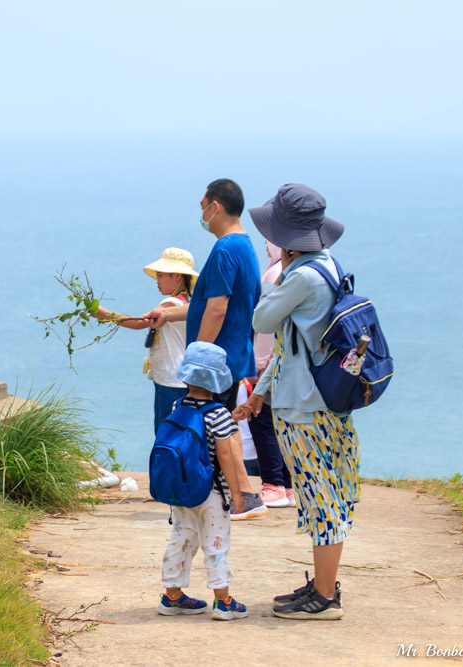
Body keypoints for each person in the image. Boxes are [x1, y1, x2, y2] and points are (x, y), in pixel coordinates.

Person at [233, 183, 357, 621]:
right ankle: (323, 586)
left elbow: (262, 319)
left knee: (320, 497)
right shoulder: (327, 264)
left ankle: (325, 597)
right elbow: (291, 344)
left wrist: (281, 270)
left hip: (305, 408)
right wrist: (260, 394)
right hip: (324, 400)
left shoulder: (301, 275)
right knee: (323, 493)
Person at [145, 179, 266, 520]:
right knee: (223, 427)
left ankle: (211, 501)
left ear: (215, 207)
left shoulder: (225, 250)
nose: (201, 213)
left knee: (205, 432)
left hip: (215, 360)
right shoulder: (245, 246)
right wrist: (168, 313)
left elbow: (216, 309)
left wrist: (198, 355)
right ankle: (243, 496)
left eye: (203, 206)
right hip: (234, 352)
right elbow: (205, 305)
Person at [157, 342, 249, 621]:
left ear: (185, 377)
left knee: (182, 538)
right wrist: (237, 494)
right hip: (211, 492)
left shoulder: (178, 404)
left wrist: (230, 419)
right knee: (216, 542)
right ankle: (223, 601)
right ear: (218, 381)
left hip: (183, 490)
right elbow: (226, 456)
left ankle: (172, 595)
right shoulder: (219, 413)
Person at [93, 247, 198, 434]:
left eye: (160, 275)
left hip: (170, 380)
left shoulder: (170, 304)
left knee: (165, 434)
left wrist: (103, 314)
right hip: (180, 378)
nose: (157, 281)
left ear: (177, 276)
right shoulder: (187, 302)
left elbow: (140, 323)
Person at [248, 240, 295, 508]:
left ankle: (272, 484)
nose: (266, 247)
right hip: (291, 361)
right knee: (284, 423)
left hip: (270, 362)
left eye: (268, 242)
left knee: (262, 421)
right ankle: (288, 485)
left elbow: (266, 325)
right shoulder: (296, 271)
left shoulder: (272, 274)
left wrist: (258, 363)